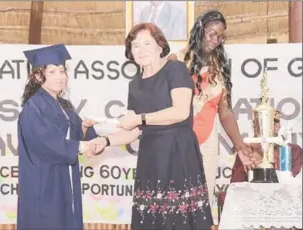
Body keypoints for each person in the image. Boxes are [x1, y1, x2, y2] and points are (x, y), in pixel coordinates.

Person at [92, 22, 213, 229]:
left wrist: (140, 118)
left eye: (147, 43)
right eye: (135, 45)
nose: (141, 50)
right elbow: (131, 132)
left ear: (160, 46)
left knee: (179, 220)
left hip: (177, 152)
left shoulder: (175, 69)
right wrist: (105, 140)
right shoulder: (135, 84)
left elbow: (180, 112)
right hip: (150, 156)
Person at [168, 10, 253, 220]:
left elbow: (225, 112)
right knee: (174, 202)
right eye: (211, 33)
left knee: (199, 204)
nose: (216, 40)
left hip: (207, 143)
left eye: (221, 36)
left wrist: (240, 146)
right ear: (199, 29)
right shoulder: (176, 61)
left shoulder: (220, 68)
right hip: (176, 141)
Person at [16, 44, 99, 230]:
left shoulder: (64, 105)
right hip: (45, 180)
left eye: (62, 71)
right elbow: (45, 142)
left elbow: (75, 135)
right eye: (52, 71)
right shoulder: (33, 107)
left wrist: (85, 129)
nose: (59, 76)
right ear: (38, 76)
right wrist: (81, 147)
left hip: (64, 178)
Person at [231, 110, 303, 182]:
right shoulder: (247, 150)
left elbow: (292, 183)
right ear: (255, 128)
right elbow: (235, 182)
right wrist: (251, 160)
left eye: (274, 124)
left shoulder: (293, 150)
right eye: (263, 124)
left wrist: (267, 158)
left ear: (278, 127)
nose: (270, 128)